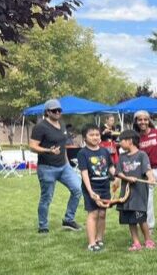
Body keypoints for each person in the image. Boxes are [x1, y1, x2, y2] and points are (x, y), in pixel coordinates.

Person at [29, 99, 82, 234]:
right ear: (47, 112)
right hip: (47, 168)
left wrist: (68, 164)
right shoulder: (40, 127)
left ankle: (68, 219)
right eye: (54, 110)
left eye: (59, 110)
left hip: (64, 166)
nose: (58, 112)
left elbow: (62, 146)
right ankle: (43, 226)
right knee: (46, 198)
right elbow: (32, 146)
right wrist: (48, 151)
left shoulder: (62, 125)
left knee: (77, 189)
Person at [115, 129, 155, 251]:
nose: (119, 143)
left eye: (121, 140)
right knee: (130, 220)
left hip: (139, 193)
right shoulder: (122, 157)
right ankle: (136, 242)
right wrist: (127, 177)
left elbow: (147, 170)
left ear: (130, 141)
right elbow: (118, 173)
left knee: (141, 218)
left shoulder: (142, 155)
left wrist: (151, 178)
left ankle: (148, 240)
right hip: (126, 194)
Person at [77, 125, 115, 252]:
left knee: (103, 213)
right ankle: (91, 243)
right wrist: (91, 192)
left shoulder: (104, 151)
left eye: (97, 134)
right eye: (91, 135)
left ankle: (99, 239)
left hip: (105, 186)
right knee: (93, 213)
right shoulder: (83, 153)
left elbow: (110, 167)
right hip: (91, 187)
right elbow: (84, 173)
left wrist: (118, 177)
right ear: (85, 137)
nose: (95, 137)